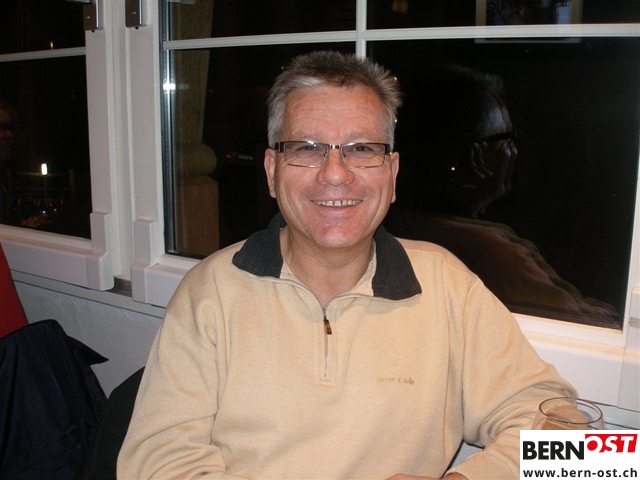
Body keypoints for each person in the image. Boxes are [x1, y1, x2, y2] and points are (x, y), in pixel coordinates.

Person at [117, 51, 576, 479]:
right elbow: (155, 463)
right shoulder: (210, 291)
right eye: (307, 148)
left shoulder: (447, 285)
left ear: (391, 174)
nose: (335, 174)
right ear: (272, 171)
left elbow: (579, 447)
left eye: (361, 149)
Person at [385, 65, 618, 326]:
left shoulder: (398, 226)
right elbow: (590, 322)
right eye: (508, 137)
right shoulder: (496, 255)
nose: (514, 150)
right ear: (478, 158)